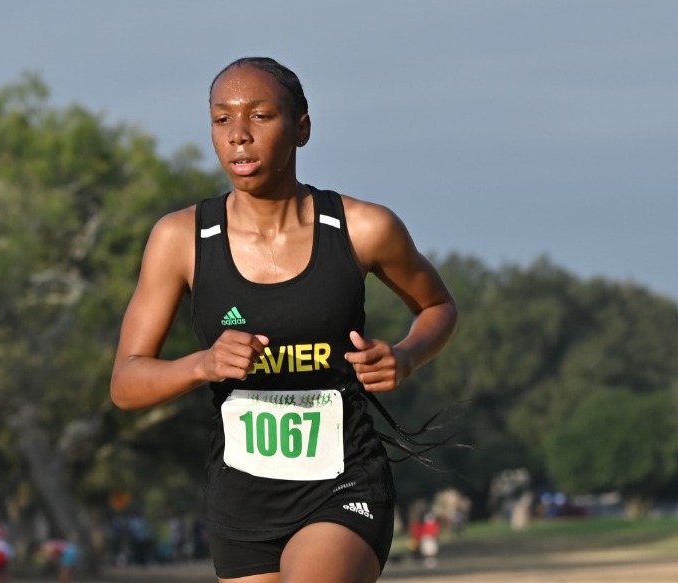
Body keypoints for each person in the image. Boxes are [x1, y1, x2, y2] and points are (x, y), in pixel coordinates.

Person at [110, 56, 457, 583]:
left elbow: (438, 307)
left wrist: (405, 357)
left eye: (260, 117)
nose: (239, 136)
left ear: (302, 128)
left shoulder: (363, 228)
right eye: (222, 119)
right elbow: (127, 382)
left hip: (343, 482)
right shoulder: (180, 239)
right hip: (242, 498)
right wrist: (202, 365)